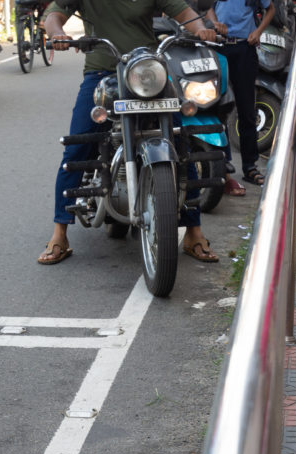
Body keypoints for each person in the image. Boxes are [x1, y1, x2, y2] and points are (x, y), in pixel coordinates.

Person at [37, 0, 219, 265]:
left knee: (180, 141)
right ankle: (59, 234)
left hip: (146, 70)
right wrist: (57, 35)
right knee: (78, 145)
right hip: (103, 71)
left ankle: (194, 232)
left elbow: (184, 13)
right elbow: (54, 15)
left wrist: (201, 27)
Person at [206, 0, 274, 187]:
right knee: (217, 109)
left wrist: (258, 32)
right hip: (219, 48)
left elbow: (270, 9)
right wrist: (215, 24)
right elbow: (209, 9)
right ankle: (223, 164)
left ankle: (249, 166)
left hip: (245, 48)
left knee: (246, 110)